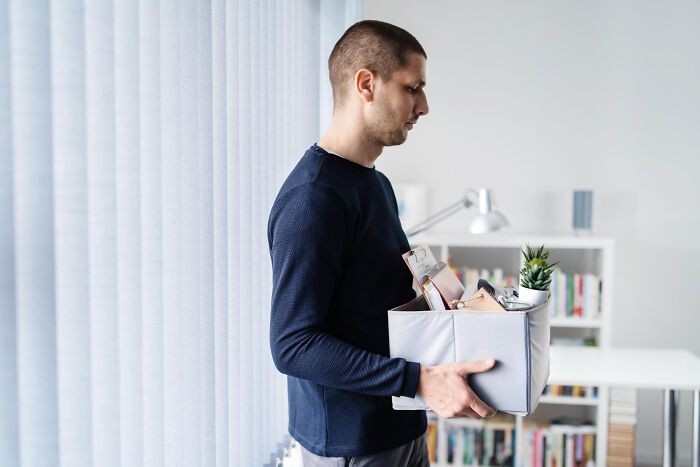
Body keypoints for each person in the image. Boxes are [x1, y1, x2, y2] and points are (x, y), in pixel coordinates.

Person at [268, 20, 496, 466]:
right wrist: (419, 380)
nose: (424, 105)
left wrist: (455, 308)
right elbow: (293, 344)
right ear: (366, 84)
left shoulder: (376, 185)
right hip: (353, 444)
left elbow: (376, 306)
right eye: (413, 88)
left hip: (401, 425)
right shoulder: (313, 199)